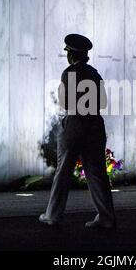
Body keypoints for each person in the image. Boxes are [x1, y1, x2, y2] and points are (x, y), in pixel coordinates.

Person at [39, 34, 116, 229]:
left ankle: (53, 215)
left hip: (76, 123)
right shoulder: (95, 74)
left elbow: (65, 102)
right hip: (95, 124)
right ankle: (106, 217)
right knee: (97, 173)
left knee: (63, 171)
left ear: (71, 54)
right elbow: (104, 102)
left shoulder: (69, 73)